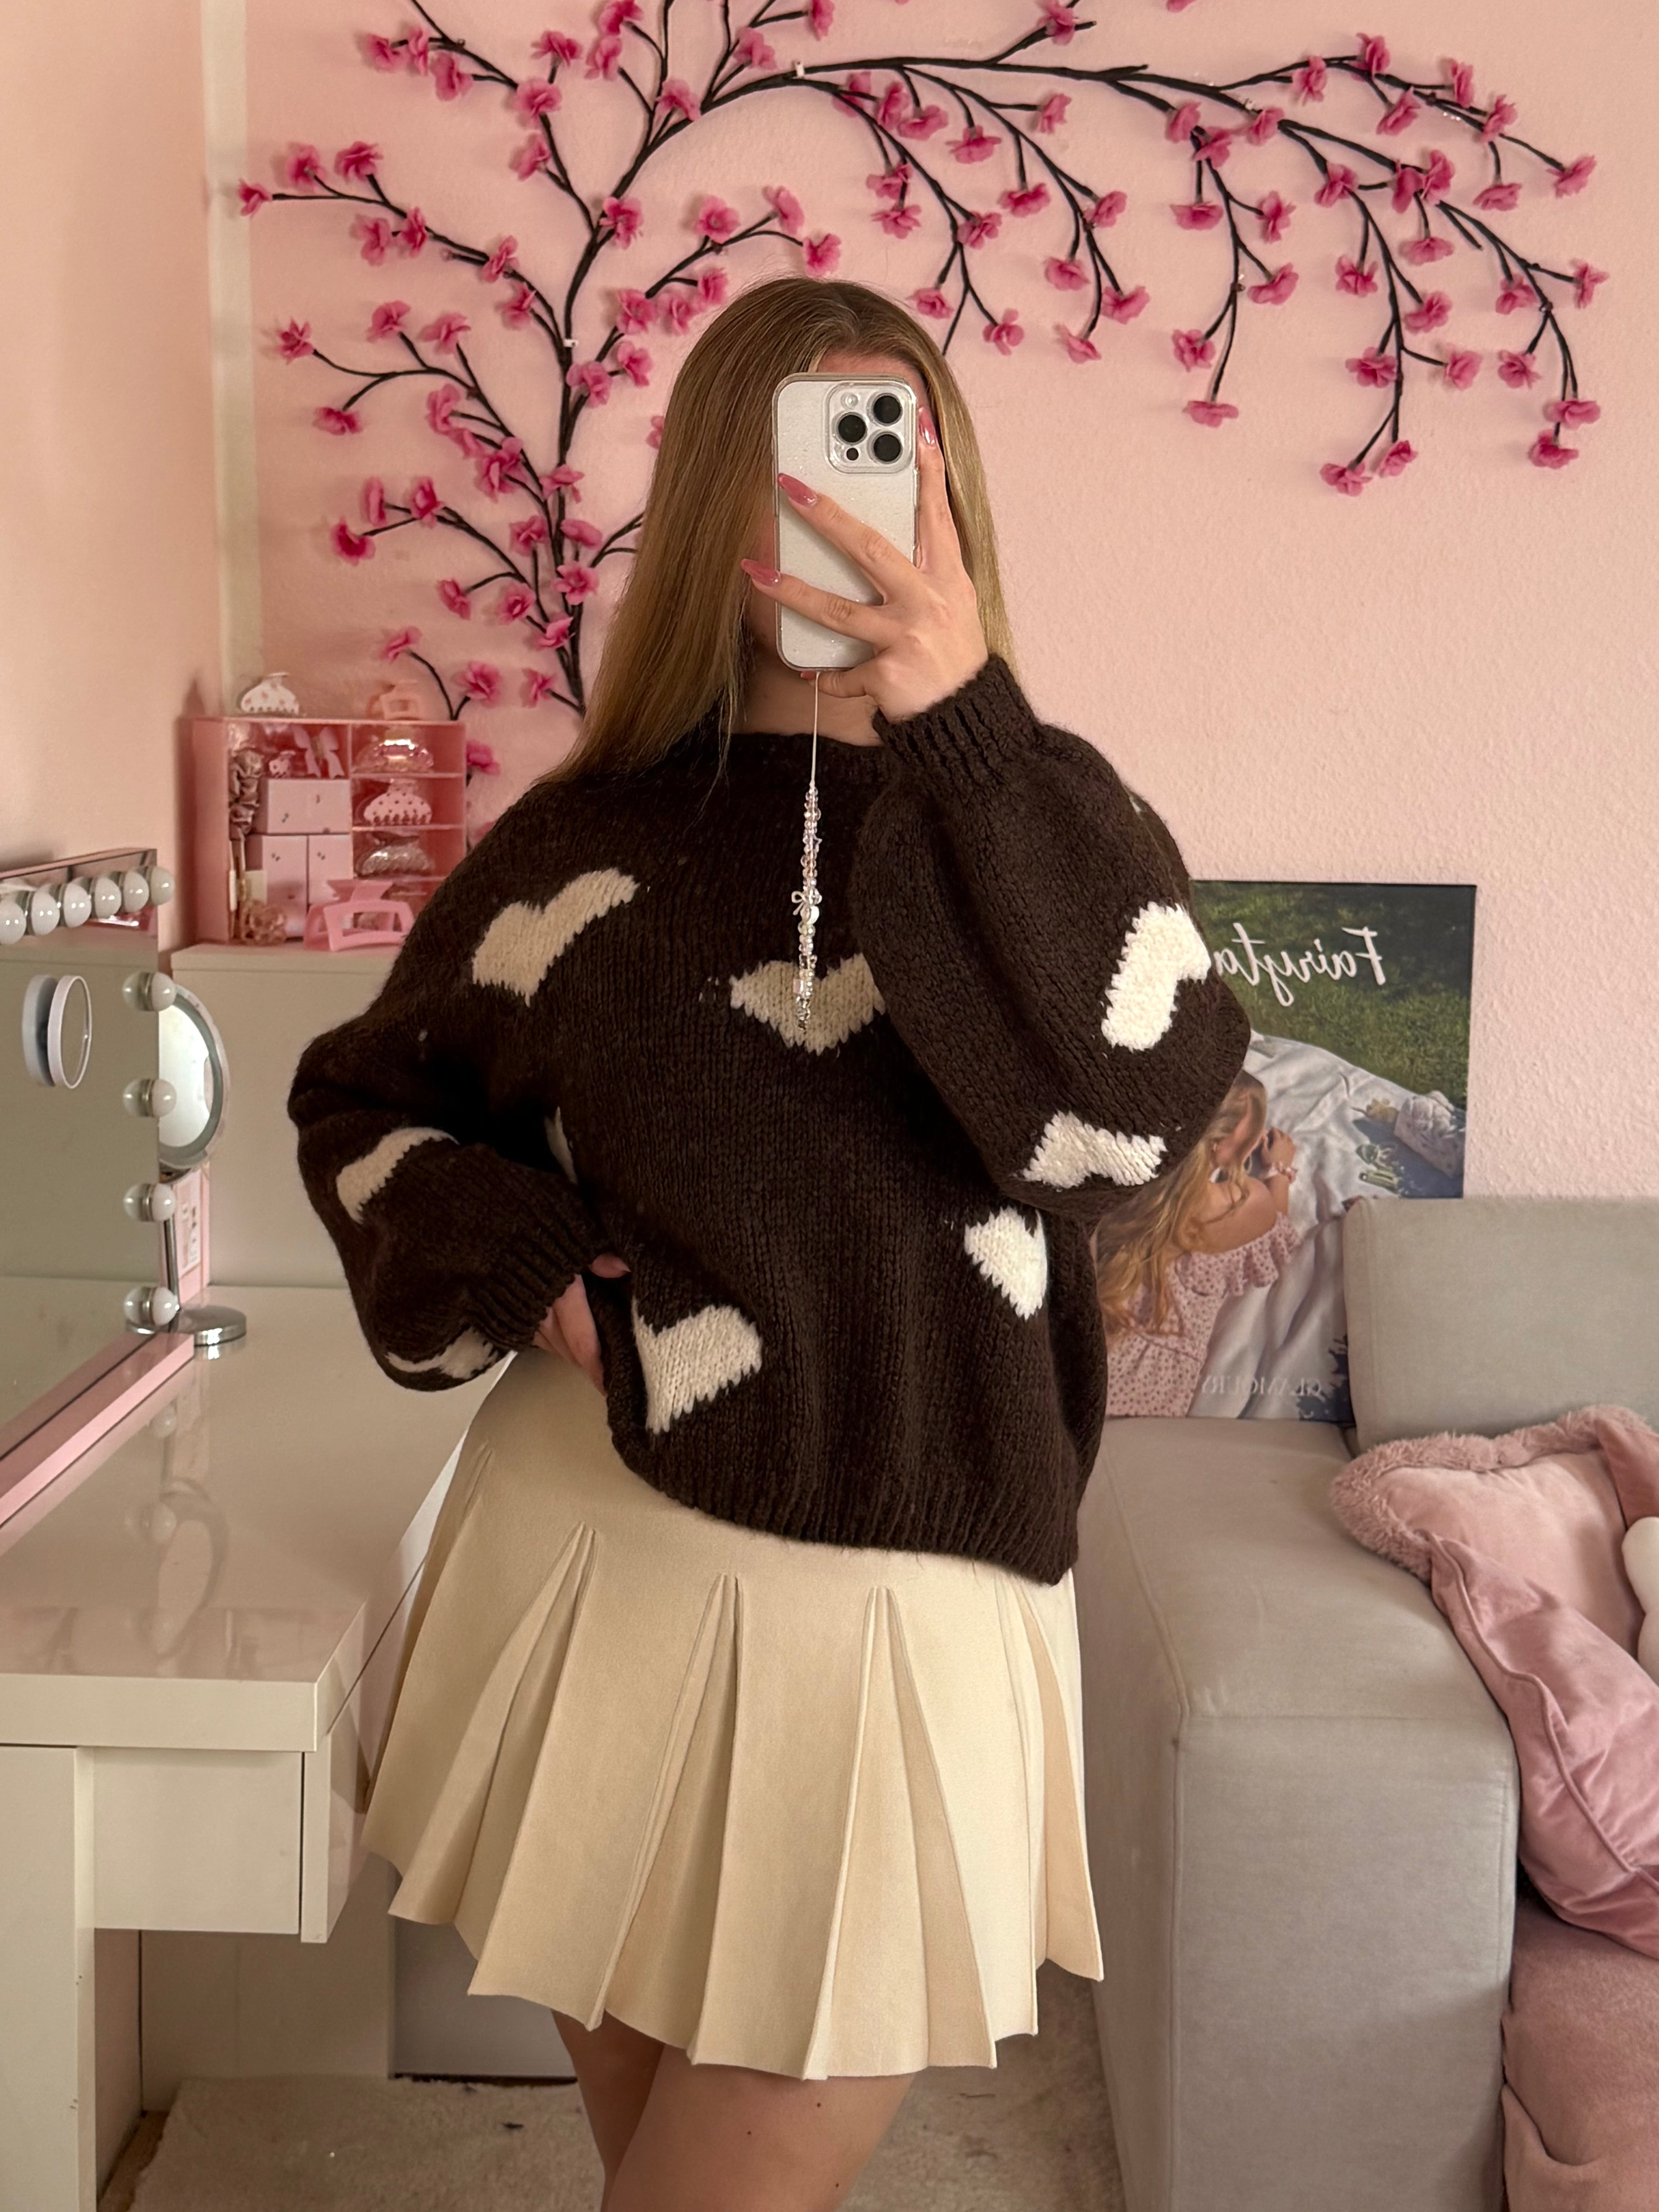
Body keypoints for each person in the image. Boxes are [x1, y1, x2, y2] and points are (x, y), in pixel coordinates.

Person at [288, 274, 1250, 2212]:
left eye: (891, 459)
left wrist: (964, 735)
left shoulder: (1053, 821)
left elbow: (1131, 1118)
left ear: (951, 499)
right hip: (593, 1561)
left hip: (915, 1591)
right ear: (718, 502)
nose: (846, 506)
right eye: (801, 459)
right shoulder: (580, 842)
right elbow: (362, 1105)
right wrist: (522, 1255)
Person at [1096, 1072, 1302, 1418]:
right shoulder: (1240, 1205)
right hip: (1150, 1394)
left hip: (1085, 1348)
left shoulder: (1126, 1181)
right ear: (1227, 1145)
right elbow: (1278, 1230)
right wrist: (1279, 1170)